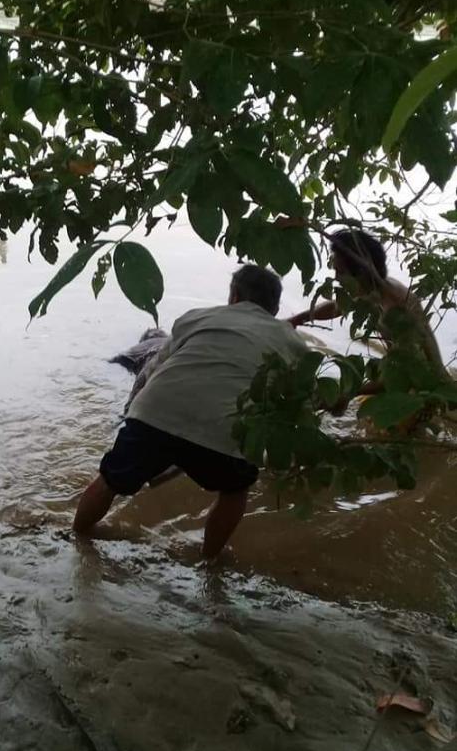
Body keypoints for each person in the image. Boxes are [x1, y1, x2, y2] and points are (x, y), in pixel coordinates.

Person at [73, 265, 307, 559]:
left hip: (156, 411)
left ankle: (76, 537)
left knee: (109, 479)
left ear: (234, 295)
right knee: (236, 490)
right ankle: (210, 561)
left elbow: (152, 369)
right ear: (274, 306)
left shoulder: (197, 317)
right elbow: (296, 402)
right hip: (225, 429)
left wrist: (132, 412)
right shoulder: (293, 342)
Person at [287, 228, 445, 377]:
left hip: (423, 387)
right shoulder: (375, 287)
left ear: (362, 272)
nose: (335, 278)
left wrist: (348, 394)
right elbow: (339, 307)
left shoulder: (394, 310)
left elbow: (406, 373)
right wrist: (297, 319)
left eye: (340, 272)